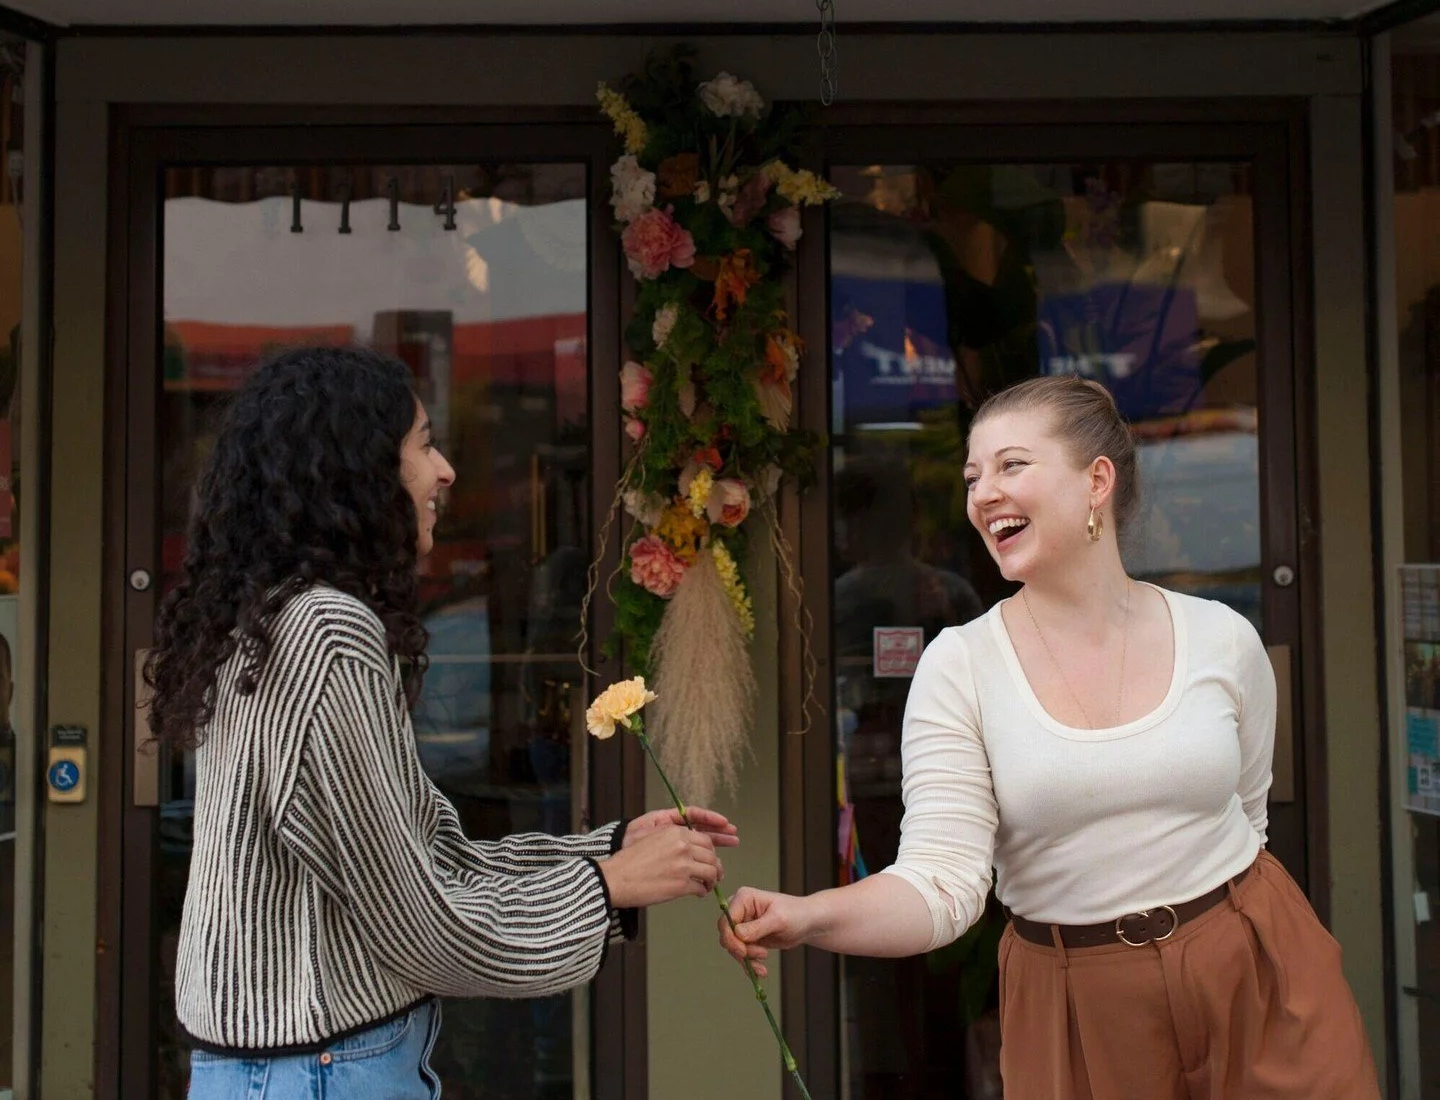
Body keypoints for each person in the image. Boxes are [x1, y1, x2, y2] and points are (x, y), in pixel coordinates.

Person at [719, 375, 1380, 1099]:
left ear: (1096, 481)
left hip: (1254, 970)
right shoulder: (960, 666)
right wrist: (809, 915)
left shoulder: (1222, 637)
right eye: (973, 476)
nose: (981, 494)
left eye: (1011, 465)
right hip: (1077, 1003)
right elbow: (942, 885)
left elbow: (1248, 817)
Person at [149, 345, 733, 1098]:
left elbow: (430, 861)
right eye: (423, 444)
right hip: (320, 1070)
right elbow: (418, 923)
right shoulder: (326, 633)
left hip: (294, 1068)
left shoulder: (275, 623)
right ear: (356, 471)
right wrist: (605, 885)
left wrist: (610, 849)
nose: (447, 469)